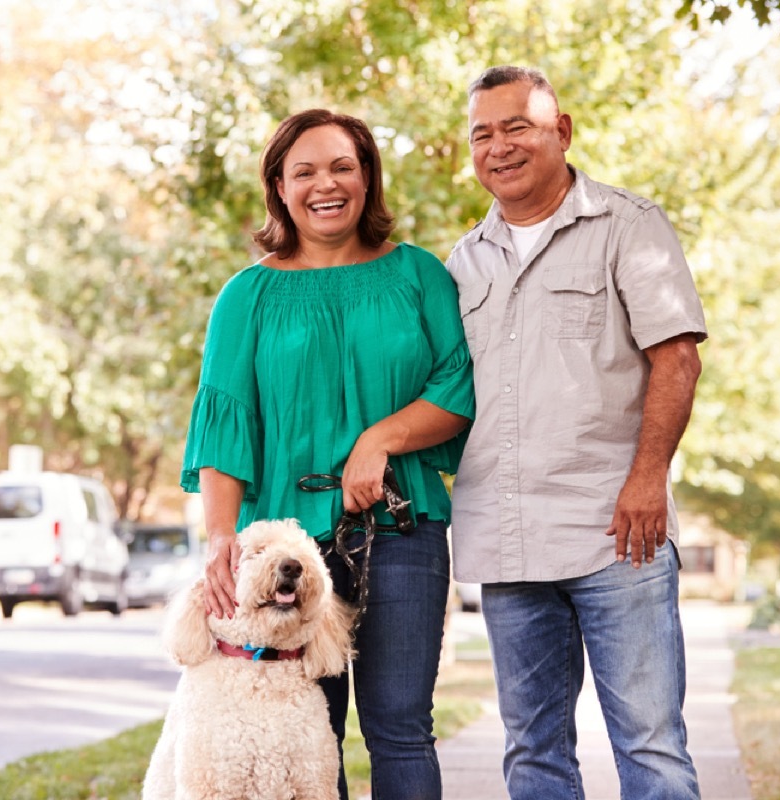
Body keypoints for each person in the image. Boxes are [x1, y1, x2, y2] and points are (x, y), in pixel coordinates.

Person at [181, 108, 475, 800]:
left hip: (401, 532)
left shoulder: (419, 275)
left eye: (343, 167)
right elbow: (226, 425)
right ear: (280, 188)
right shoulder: (246, 296)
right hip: (285, 548)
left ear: (367, 178)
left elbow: (457, 388)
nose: (326, 184)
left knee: (401, 727)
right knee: (309, 730)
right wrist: (222, 537)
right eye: (305, 171)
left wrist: (380, 439)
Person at [446, 65, 707, 800]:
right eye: (483, 134)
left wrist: (648, 477)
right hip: (507, 542)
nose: (499, 147)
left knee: (651, 746)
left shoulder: (629, 225)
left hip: (616, 534)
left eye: (517, 126)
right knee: (533, 753)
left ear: (561, 131)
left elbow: (677, 359)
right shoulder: (463, 261)